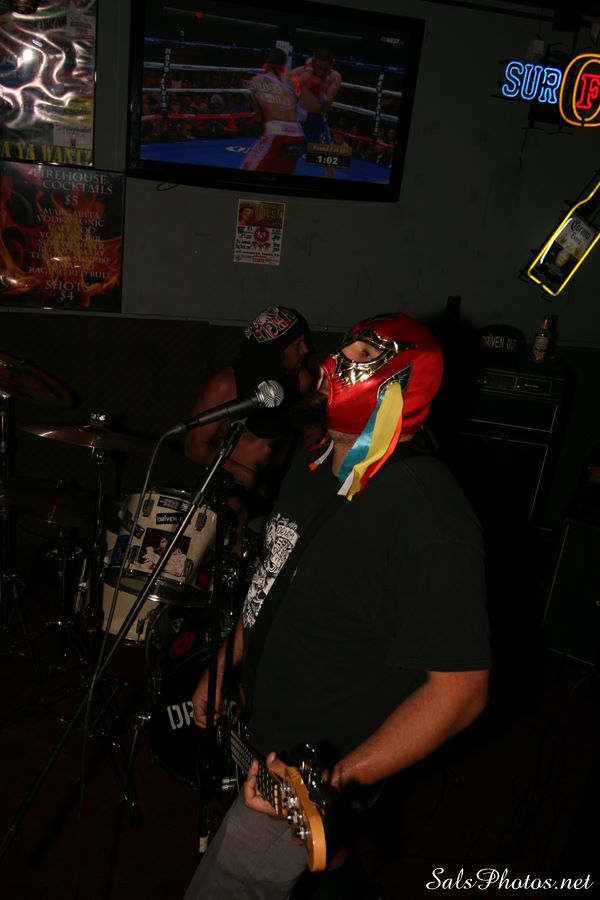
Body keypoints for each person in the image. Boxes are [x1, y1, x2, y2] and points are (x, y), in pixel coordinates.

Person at [183, 312, 491, 899]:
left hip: (306, 768)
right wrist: (225, 664)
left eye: (360, 355)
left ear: (402, 382)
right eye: (342, 348)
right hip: (268, 728)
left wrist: (328, 783)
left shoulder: (429, 515)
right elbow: (273, 578)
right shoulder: (317, 462)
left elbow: (461, 691)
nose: (330, 363)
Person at [184, 306, 314, 544]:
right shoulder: (226, 385)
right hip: (226, 488)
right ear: (276, 349)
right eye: (297, 344)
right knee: (234, 520)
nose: (306, 350)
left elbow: (304, 438)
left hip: (269, 492)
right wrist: (243, 474)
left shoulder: (301, 382)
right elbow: (194, 448)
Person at [241, 48, 305, 174]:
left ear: (267, 62)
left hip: (276, 132)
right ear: (284, 65)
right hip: (297, 133)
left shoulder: (258, 80)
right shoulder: (290, 81)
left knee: (247, 168)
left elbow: (259, 118)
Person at [291, 48, 343, 145]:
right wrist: (306, 75)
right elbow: (285, 79)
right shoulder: (306, 71)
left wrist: (318, 91)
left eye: (326, 69)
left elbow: (328, 104)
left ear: (331, 65)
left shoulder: (335, 77)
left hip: (319, 123)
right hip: (299, 122)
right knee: (293, 152)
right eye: (319, 68)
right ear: (314, 63)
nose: (321, 72)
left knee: (325, 153)